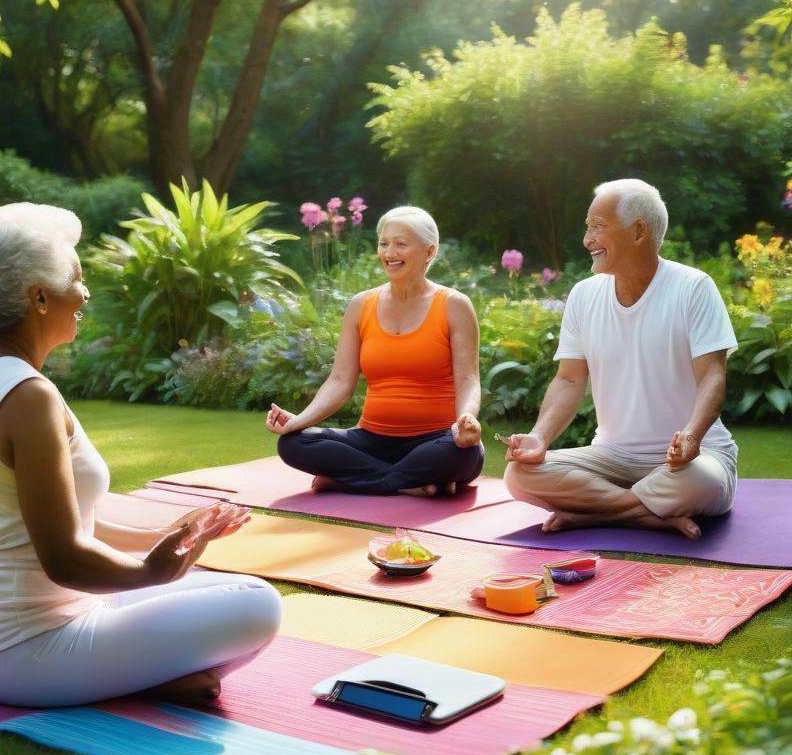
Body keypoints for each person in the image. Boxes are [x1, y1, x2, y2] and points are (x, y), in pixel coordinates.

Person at [0, 203, 281, 709]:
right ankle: (143, 676)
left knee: (208, 588)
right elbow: (66, 559)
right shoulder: (28, 396)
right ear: (40, 297)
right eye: (77, 276)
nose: (85, 292)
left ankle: (144, 673)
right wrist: (153, 572)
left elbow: (42, 523)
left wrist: (165, 538)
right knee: (257, 604)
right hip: (22, 654)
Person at [503, 179, 738, 539]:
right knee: (520, 476)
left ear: (639, 230)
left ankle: (594, 512)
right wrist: (538, 436)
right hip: (611, 458)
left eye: (598, 227)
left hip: (690, 459)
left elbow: (712, 375)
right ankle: (645, 514)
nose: (587, 240)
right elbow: (568, 379)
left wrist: (692, 437)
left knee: (702, 481)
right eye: (588, 227)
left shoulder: (693, 287)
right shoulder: (583, 295)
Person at [266, 206, 484, 496]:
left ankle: (349, 480)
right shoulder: (361, 305)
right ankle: (409, 484)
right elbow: (340, 381)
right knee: (293, 444)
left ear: (429, 251)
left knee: (462, 455)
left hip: (436, 441)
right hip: (371, 440)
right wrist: (299, 421)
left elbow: (468, 380)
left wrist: (466, 420)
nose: (389, 252)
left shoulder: (454, 305)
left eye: (400, 244)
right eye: (384, 244)